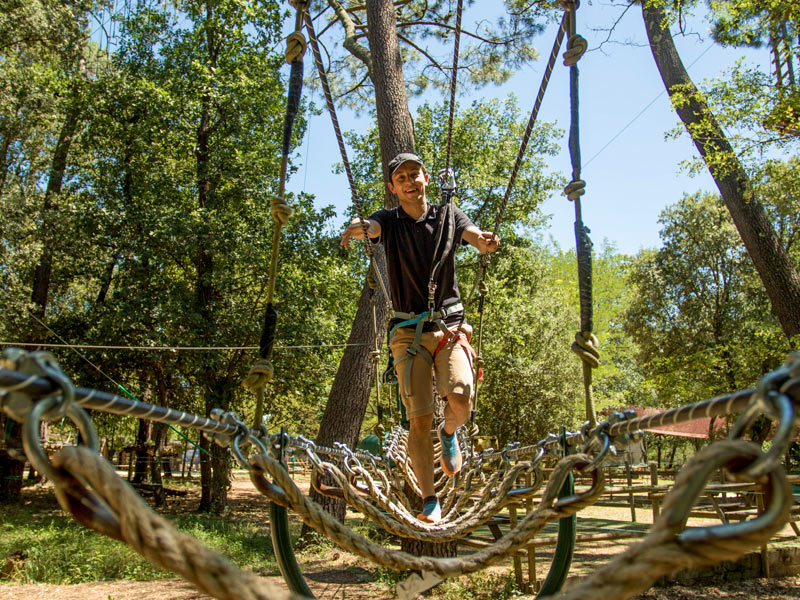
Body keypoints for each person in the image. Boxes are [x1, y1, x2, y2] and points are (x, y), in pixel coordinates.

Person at [341, 152, 500, 523]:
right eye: (402, 178)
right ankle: (430, 499)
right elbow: (369, 226)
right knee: (419, 419)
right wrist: (355, 227)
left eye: (415, 174)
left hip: (449, 327)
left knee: (461, 396)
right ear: (392, 188)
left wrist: (484, 242)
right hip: (407, 331)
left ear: (426, 178)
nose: (410, 181)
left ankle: (450, 431)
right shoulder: (388, 221)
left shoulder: (448, 214)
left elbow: (472, 234)